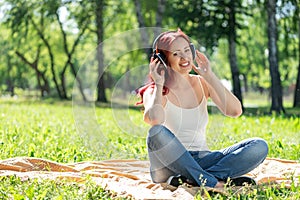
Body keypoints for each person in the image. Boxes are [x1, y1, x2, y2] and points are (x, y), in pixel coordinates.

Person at [136, 29, 268, 188]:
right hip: (167, 166)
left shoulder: (201, 83)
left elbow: (235, 111)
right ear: (163, 60)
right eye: (176, 54)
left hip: (203, 159)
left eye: (187, 50)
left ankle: (196, 179)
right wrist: (158, 82)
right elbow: (155, 120)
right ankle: (213, 182)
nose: (184, 58)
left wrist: (209, 76)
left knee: (258, 145)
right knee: (156, 132)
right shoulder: (154, 91)